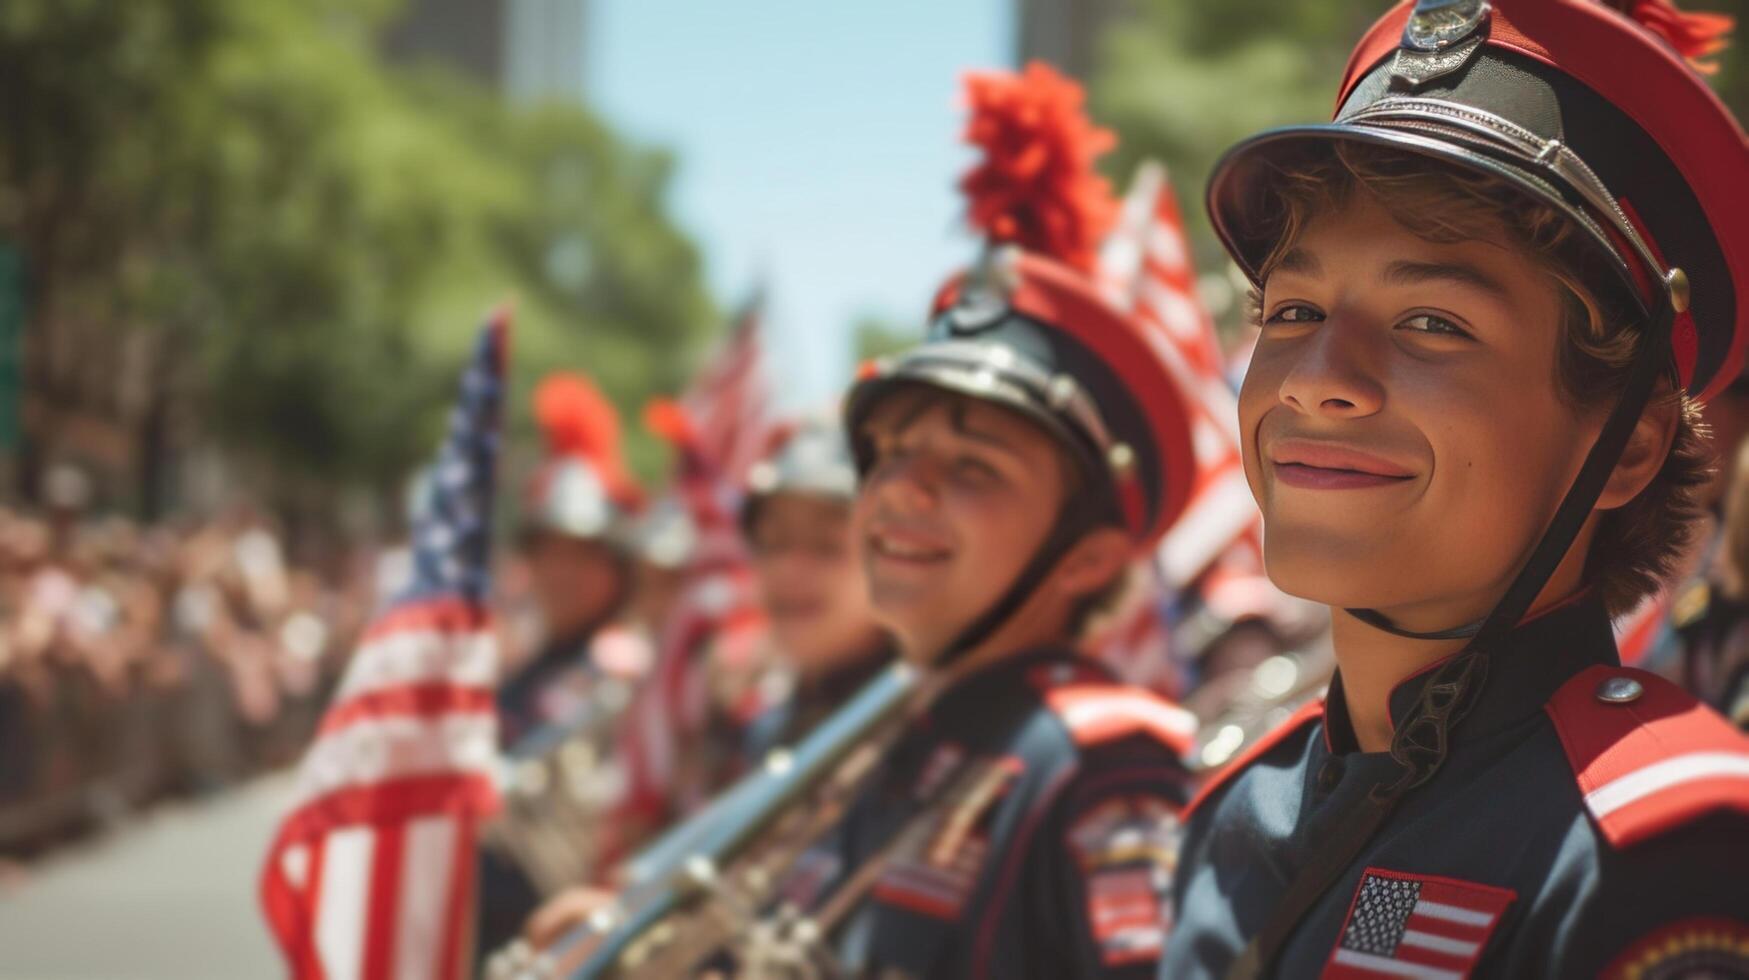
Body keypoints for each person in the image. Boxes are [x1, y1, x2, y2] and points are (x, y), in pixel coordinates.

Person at [1159, 0, 1749, 976]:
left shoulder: (1665, 853)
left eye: (1432, 321)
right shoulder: (1236, 810)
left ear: (1629, 444)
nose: (1314, 376)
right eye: (1294, 307)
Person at [736, 415, 893, 762]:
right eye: (773, 543)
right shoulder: (768, 724)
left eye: (827, 546)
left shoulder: (914, 727)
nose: (788, 570)